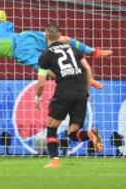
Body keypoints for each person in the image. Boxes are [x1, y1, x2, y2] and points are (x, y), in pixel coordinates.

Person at [0, 5, 112, 100]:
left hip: (24, 38)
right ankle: (84, 79)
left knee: (61, 39)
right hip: (21, 51)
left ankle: (93, 52)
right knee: (50, 72)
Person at [35, 23, 104, 168]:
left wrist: (38, 97)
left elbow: (41, 83)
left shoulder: (45, 55)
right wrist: (85, 92)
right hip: (80, 91)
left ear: (46, 36)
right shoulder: (73, 49)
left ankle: (54, 161)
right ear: (60, 35)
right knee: (73, 133)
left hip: (64, 91)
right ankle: (90, 134)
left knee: (52, 127)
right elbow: (87, 69)